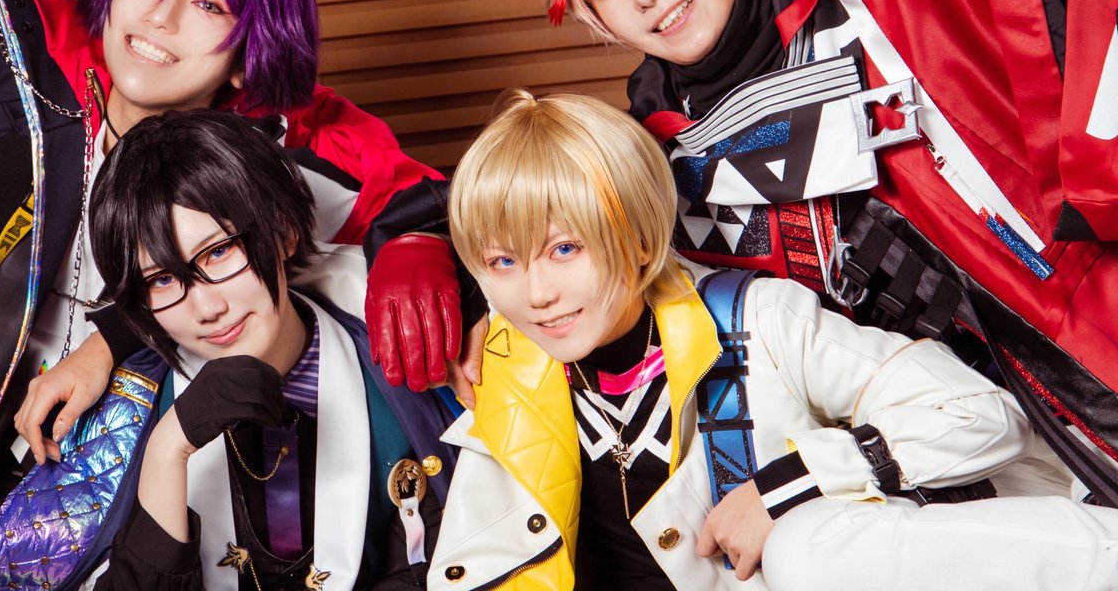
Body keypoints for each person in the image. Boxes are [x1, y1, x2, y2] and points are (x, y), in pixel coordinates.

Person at [516, 0, 1118, 499]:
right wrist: (433, 258)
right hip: (941, 476)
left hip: (1095, 347)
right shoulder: (652, 171)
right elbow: (526, 245)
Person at [0, 0, 469, 583]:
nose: (161, 15)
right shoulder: (32, 63)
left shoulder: (267, 149)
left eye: (208, 4)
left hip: (96, 485)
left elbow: (432, 199)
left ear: (246, 56)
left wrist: (418, 244)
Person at [430, 88, 1118, 591]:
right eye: (503, 261)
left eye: (564, 249)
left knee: (803, 545)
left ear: (639, 238)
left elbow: (984, 413)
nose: (537, 294)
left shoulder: (756, 319)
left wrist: (790, 485)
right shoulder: (507, 382)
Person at [73, 109, 450, 590]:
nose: (207, 308)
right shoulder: (125, 409)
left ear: (283, 233)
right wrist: (167, 451)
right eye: (162, 279)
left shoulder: (391, 372)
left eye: (219, 252)